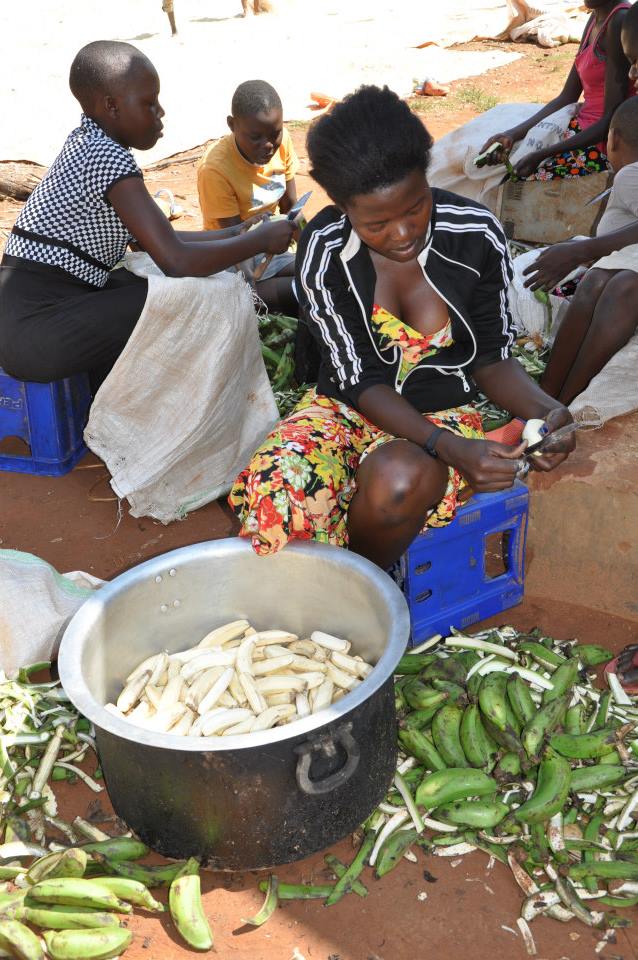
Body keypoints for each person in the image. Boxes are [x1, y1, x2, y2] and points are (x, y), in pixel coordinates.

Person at [229, 86, 575, 570]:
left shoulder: (475, 234)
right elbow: (361, 380)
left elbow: (491, 359)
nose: (403, 234)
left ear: (425, 177)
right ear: (344, 207)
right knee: (278, 477)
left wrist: (550, 412)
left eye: (414, 207)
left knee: (399, 477)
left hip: (442, 414)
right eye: (376, 224)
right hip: (347, 408)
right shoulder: (325, 250)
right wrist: (452, 451)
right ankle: (320, 589)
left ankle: (364, 584)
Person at [0, 41, 294, 392]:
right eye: (149, 103)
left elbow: (158, 242)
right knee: (179, 295)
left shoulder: (92, 145)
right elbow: (175, 259)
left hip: (33, 319)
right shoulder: (105, 158)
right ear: (111, 106)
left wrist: (237, 234)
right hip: (37, 328)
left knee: (148, 283)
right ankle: (187, 408)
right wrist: (257, 241)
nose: (161, 112)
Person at [525, 85, 638, 404]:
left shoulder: (630, 174)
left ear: (612, 140)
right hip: (610, 270)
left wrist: (583, 250)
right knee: (598, 280)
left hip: (625, 279)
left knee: (621, 284)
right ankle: (554, 400)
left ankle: (553, 398)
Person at [480, 1, 633, 180]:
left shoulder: (619, 21)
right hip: (584, 126)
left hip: (605, 145)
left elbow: (611, 120)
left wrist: (542, 154)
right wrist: (512, 134)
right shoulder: (596, 16)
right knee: (507, 154)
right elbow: (566, 96)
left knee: (515, 176)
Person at [197, 80, 299, 314]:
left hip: (272, 247)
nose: (268, 145)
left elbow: (291, 206)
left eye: (275, 134)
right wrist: (250, 295)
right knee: (302, 289)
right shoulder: (215, 169)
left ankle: (396, 336)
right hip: (231, 261)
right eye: (255, 137)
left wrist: (314, 255)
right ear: (232, 125)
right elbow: (236, 241)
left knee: (328, 275)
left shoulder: (282, 143)